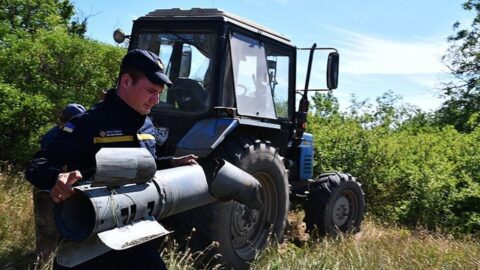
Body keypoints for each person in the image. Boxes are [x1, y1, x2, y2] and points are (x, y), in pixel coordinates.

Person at [25, 49, 197, 270]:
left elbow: (143, 165)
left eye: (159, 93)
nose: (156, 100)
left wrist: (172, 162)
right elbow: (37, 165)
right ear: (126, 81)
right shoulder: (88, 123)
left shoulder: (146, 124)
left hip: (133, 232)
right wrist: (56, 178)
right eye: (151, 91)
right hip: (89, 238)